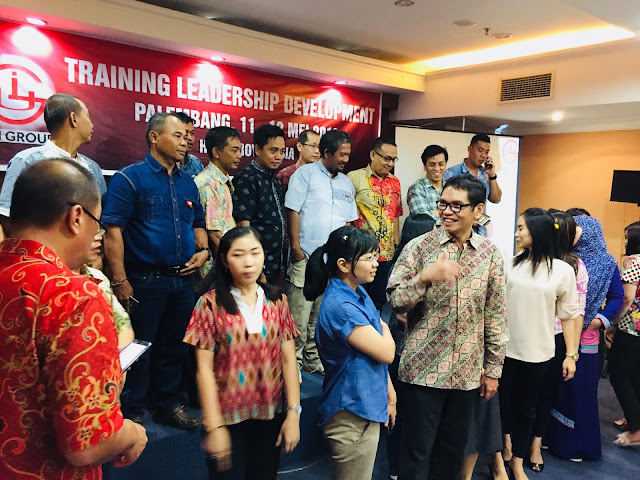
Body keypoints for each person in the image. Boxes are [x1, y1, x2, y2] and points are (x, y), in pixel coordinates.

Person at [0, 159, 147, 479]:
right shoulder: (74, 295)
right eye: (98, 222)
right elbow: (88, 443)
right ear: (77, 217)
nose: (97, 234)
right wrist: (133, 433)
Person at [387, 174, 508, 480]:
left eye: (457, 205)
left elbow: (495, 315)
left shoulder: (490, 254)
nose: (447, 212)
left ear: (477, 211)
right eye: (443, 204)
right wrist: (424, 278)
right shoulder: (419, 247)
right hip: (422, 373)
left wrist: (493, 370)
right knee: (415, 457)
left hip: (466, 376)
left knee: (452, 456)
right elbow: (396, 301)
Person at [102, 112, 210, 430]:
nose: (185, 141)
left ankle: (168, 405)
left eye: (187, 136)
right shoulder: (129, 178)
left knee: (174, 346)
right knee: (138, 347)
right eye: (177, 135)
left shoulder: (188, 183)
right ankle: (131, 409)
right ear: (154, 137)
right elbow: (113, 231)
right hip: (143, 279)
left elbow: (199, 223)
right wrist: (119, 280)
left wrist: (204, 251)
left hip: (183, 280)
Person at [184, 226, 300, 480]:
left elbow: (288, 359)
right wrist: (214, 426)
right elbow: (203, 369)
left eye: (255, 253)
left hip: (270, 414)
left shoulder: (277, 300)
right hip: (226, 418)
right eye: (238, 255)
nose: (248, 262)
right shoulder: (209, 304)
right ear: (224, 261)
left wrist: (294, 412)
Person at [304, 225, 396, 480]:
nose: (376, 263)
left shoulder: (357, 291)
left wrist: (390, 396)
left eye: (375, 256)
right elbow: (386, 353)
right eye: (369, 258)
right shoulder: (341, 306)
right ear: (343, 265)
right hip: (351, 411)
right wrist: (385, 327)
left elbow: (377, 354)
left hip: (366, 402)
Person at [498, 208, 579, 480]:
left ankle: (517, 461)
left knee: (528, 409)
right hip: (505, 350)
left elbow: (569, 315)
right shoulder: (509, 265)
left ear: (537, 231)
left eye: (521, 228)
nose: (516, 233)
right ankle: (503, 450)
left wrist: (571, 354)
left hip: (540, 353)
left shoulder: (562, 271)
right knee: (503, 405)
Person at [546, 214, 624, 461]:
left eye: (578, 228)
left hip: (588, 337)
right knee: (555, 388)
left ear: (590, 231)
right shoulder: (564, 257)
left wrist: (600, 320)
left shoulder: (607, 262)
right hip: (558, 332)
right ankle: (548, 438)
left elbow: (617, 297)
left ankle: (576, 446)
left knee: (580, 393)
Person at [284, 129, 358, 379]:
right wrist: (296, 249)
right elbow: (292, 211)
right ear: (326, 153)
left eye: (348, 154)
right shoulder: (304, 175)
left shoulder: (345, 182)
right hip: (306, 256)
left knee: (320, 312)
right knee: (300, 313)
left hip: (332, 261)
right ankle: (292, 364)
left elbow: (349, 221)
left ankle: (312, 359)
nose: (346, 159)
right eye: (342, 154)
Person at [527, 210, 587, 473]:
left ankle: (535, 445)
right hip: (526, 336)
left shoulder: (574, 267)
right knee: (521, 394)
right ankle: (511, 445)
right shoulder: (529, 260)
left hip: (556, 338)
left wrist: (572, 352)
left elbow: (577, 312)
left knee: (545, 394)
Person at [0, 93, 106, 239]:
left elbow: (99, 218)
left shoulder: (93, 169)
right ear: (74, 119)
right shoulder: (27, 161)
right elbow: (6, 216)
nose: (92, 124)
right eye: (87, 116)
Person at [386, 214, 436, 480]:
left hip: (415, 352)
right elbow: (403, 316)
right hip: (404, 351)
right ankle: (396, 468)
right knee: (404, 415)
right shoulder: (407, 269)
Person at [347, 136, 403, 310]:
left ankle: (375, 326)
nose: (390, 163)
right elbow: (346, 215)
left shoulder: (395, 182)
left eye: (394, 159)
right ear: (373, 155)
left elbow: (396, 214)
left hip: (386, 254)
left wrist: (396, 243)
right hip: (361, 253)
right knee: (357, 299)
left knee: (378, 302)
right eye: (387, 158)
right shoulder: (354, 178)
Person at [232, 124, 287, 285]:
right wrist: (257, 267)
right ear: (257, 149)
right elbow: (244, 225)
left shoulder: (275, 181)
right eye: (273, 150)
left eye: (282, 151)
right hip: (256, 267)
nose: (278, 156)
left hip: (277, 264)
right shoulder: (247, 178)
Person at [608, 221, 640, 447]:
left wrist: (612, 322)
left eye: (627, 237)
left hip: (631, 328)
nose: (625, 242)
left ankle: (636, 430)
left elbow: (627, 298)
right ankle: (634, 418)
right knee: (636, 375)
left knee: (619, 375)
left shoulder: (633, 261)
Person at [195, 126, 242, 279]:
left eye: (240, 150)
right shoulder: (208, 183)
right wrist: (231, 268)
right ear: (216, 152)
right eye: (234, 150)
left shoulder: (222, 179)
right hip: (217, 270)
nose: (239, 155)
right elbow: (215, 236)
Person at [443, 134, 502, 236]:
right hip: (458, 231)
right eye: (480, 150)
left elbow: (496, 199)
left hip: (480, 232)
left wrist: (492, 175)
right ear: (470, 149)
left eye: (487, 152)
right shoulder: (453, 172)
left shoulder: (485, 174)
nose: (483, 155)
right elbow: (445, 203)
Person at [407, 144, 448, 226]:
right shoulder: (417, 188)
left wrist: (435, 212)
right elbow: (424, 220)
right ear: (424, 167)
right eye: (432, 165)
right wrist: (448, 218)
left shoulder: (450, 187)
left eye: (441, 164)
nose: (437, 169)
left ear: (445, 165)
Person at [175, 111, 205, 177]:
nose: (190, 138)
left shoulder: (196, 163)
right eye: (186, 133)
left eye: (192, 133)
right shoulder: (166, 162)